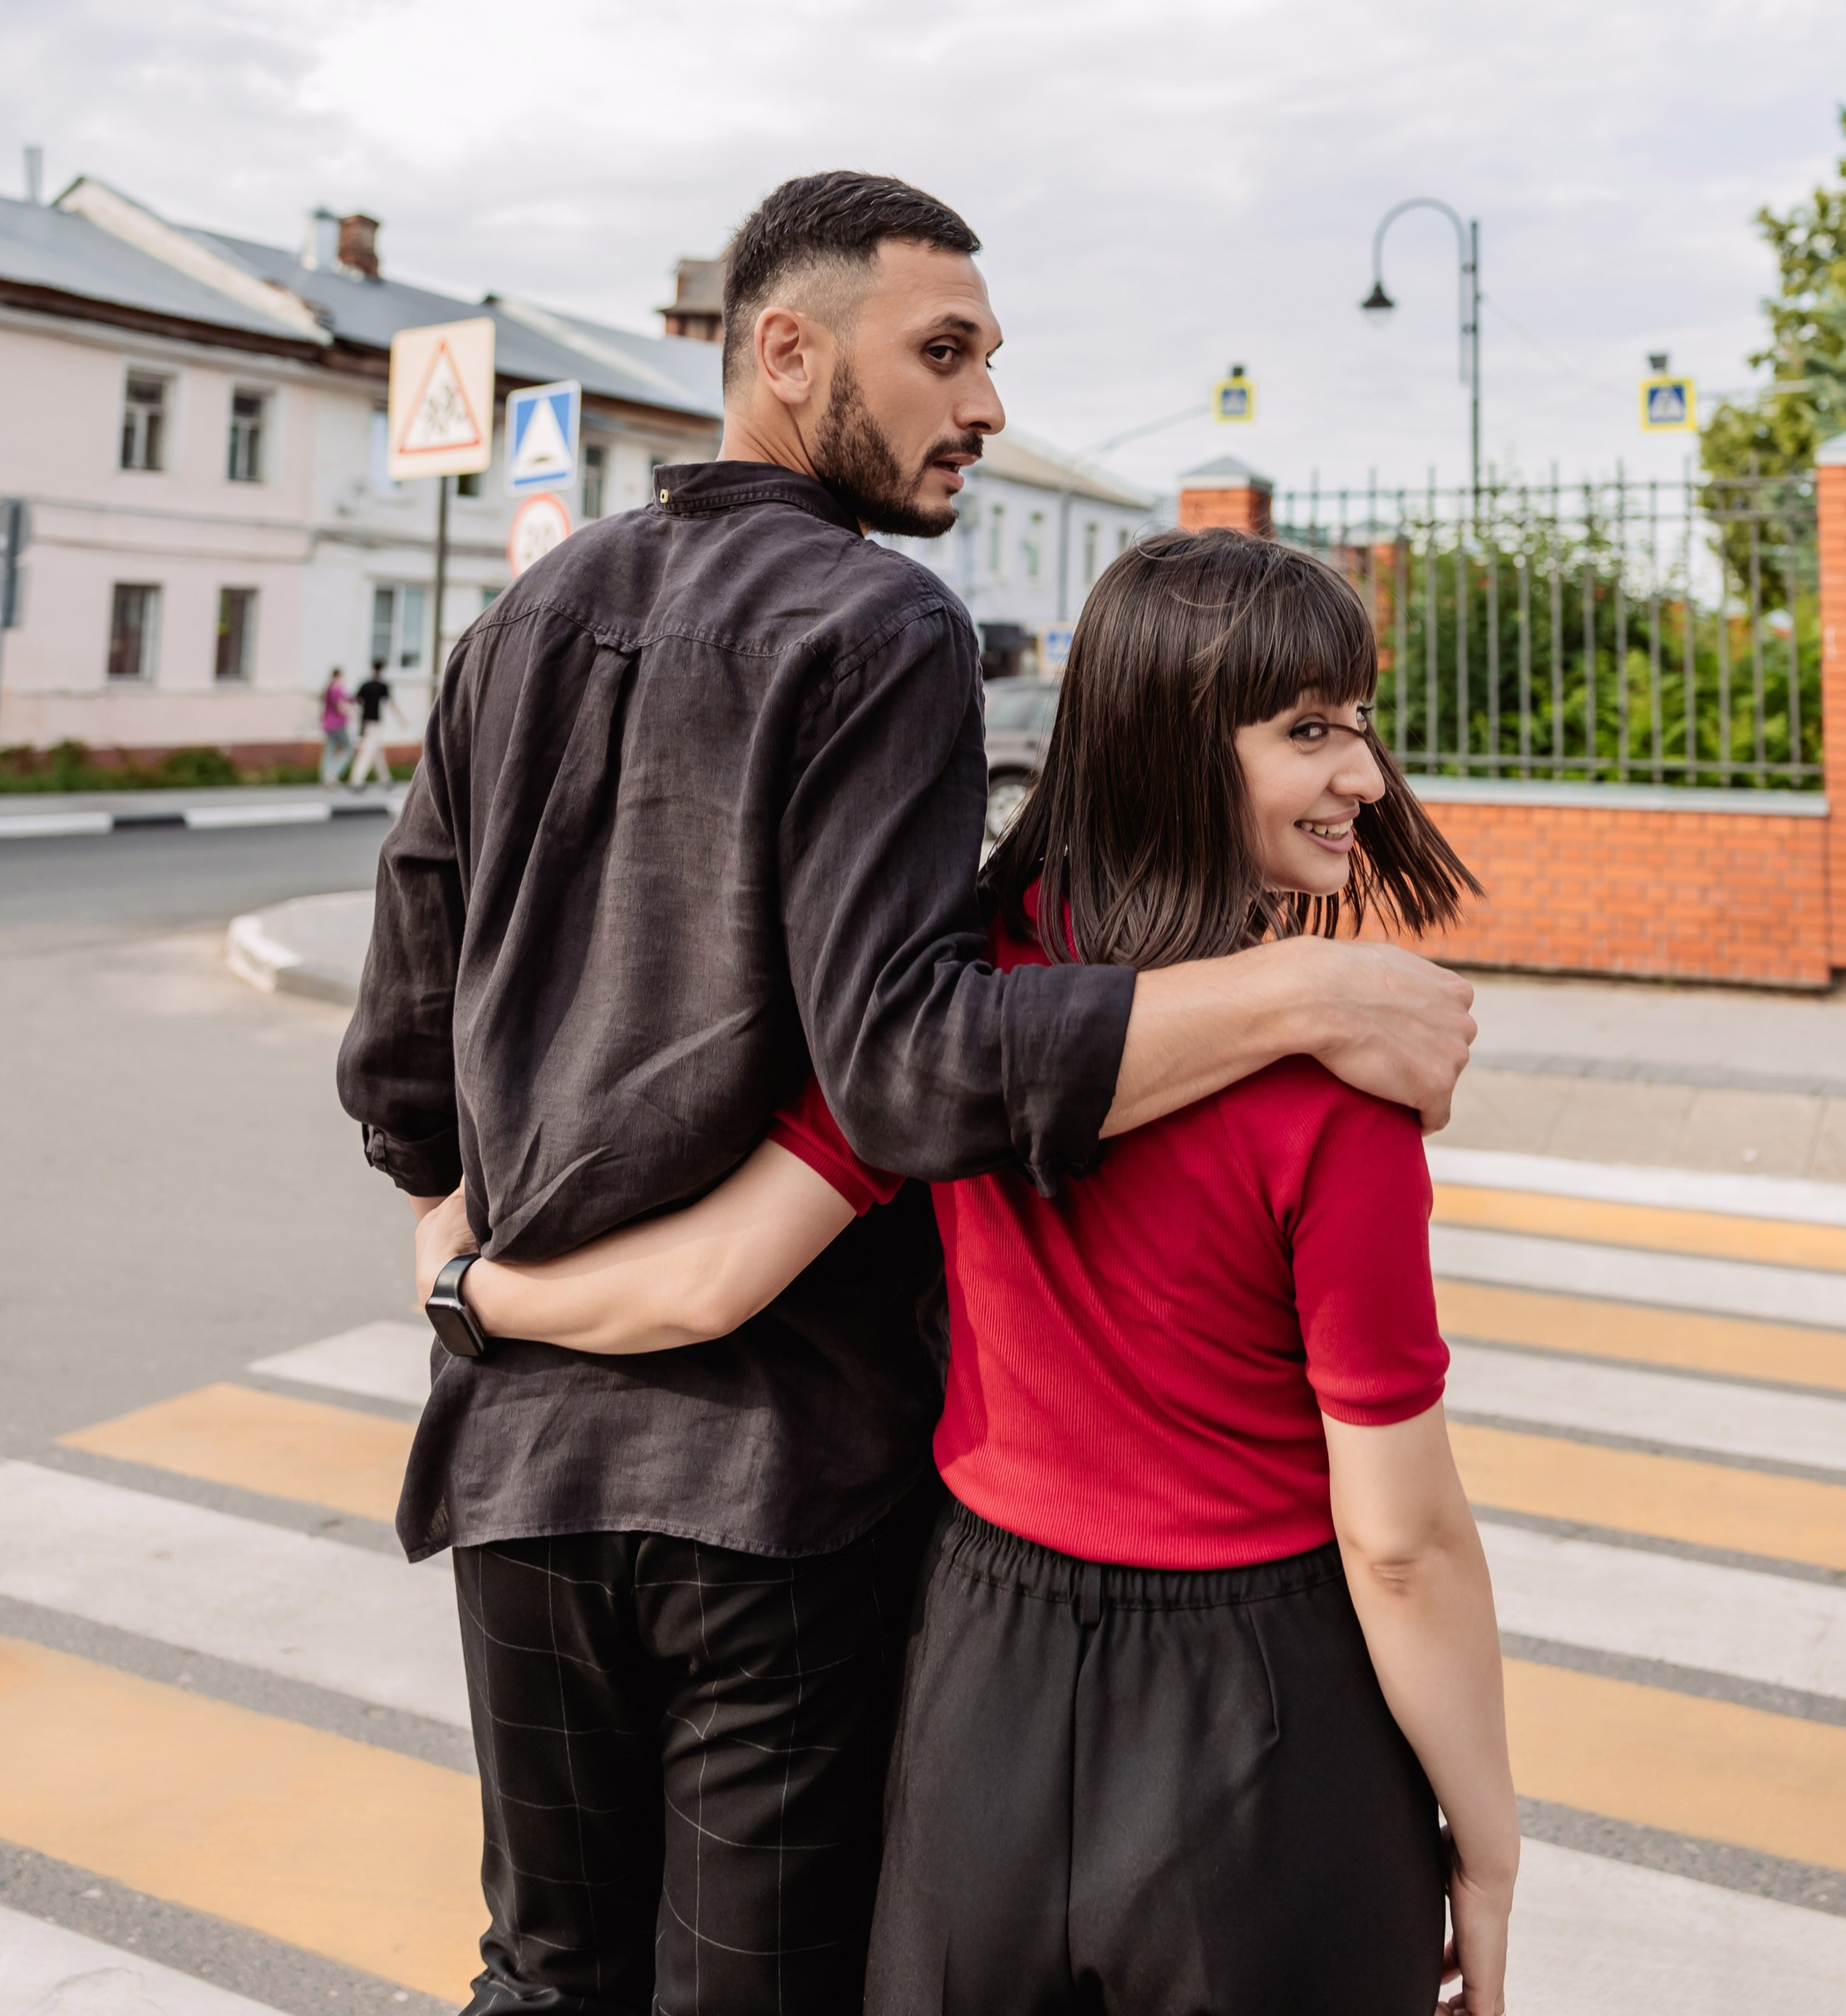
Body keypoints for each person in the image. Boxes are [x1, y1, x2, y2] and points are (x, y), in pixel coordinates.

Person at [341, 170, 1479, 2016]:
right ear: (788, 352)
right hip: (773, 1486)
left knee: (543, 1975)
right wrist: (1293, 986)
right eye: (944, 354)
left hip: (525, 1467)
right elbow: (910, 1067)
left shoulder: (521, 619)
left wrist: (456, 1245)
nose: (987, 406)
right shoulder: (878, 625)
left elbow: (402, 1037)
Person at [344, 658, 398, 786]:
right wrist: (401, 719)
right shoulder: (383, 686)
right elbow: (390, 703)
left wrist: (354, 715)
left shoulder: (365, 685)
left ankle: (385, 779)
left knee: (376, 751)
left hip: (366, 722)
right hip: (376, 723)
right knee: (368, 751)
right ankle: (356, 780)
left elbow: (355, 701)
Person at [318, 665, 353, 785]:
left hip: (327, 723)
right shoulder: (338, 689)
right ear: (340, 676)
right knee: (348, 748)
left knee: (330, 749)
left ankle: (325, 775)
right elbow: (340, 706)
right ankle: (333, 774)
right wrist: (352, 713)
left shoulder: (328, 688)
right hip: (338, 724)